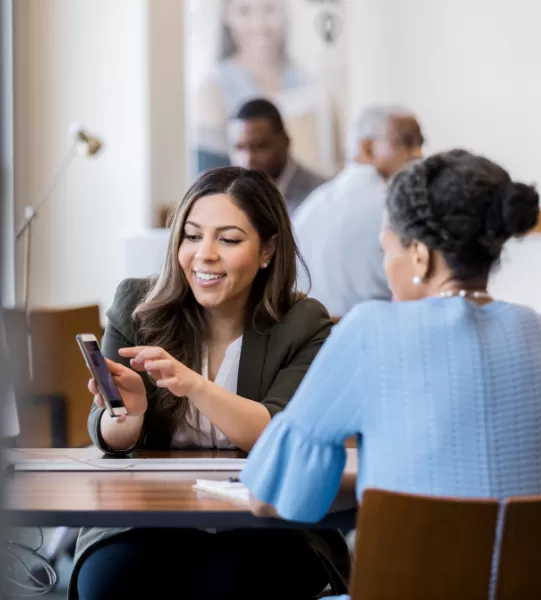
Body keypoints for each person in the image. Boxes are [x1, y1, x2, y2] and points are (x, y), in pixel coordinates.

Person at [239, 149, 541, 597]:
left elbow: (274, 496)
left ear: (419, 255)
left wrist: (376, 481)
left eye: (387, 249)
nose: (385, 266)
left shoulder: (369, 330)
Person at [70, 167, 350, 600]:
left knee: (229, 584)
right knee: (112, 582)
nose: (204, 255)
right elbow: (109, 435)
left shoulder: (304, 322)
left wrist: (194, 385)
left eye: (230, 239)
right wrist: (127, 413)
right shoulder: (137, 306)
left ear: (268, 250)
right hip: (149, 519)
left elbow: (277, 433)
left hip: (268, 522)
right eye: (192, 236)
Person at [293, 105, 425, 317]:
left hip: (313, 343)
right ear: (367, 148)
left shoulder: (310, 207)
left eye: (420, 144)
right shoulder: (397, 208)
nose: (419, 154)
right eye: (407, 142)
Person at [193, 0, 340, 176]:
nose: (259, 24)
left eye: (269, 9)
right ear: (227, 16)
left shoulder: (307, 82)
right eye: (245, 11)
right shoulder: (213, 87)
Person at [227, 98, 328, 215]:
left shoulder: (320, 196)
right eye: (239, 148)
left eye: (259, 146)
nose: (248, 160)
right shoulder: (227, 197)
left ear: (285, 141)